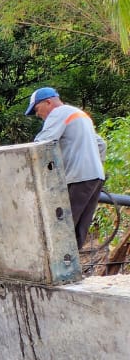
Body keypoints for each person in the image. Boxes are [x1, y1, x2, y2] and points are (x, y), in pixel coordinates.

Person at [26, 86, 107, 247]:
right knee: (78, 230)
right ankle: (73, 270)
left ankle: (62, 271)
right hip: (96, 178)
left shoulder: (58, 113)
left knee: (62, 227)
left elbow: (42, 143)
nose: (37, 114)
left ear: (48, 102)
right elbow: (101, 144)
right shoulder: (80, 115)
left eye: (37, 109)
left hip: (78, 178)